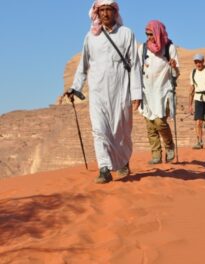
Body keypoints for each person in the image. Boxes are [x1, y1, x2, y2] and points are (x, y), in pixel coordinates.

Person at [67, 0, 142, 184]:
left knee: (120, 130)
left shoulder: (126, 34)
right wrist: (76, 87)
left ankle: (123, 162)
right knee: (99, 130)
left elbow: (135, 65)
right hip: (98, 92)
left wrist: (137, 93)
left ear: (115, 12)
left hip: (120, 91)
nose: (106, 14)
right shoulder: (90, 37)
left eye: (109, 10)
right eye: (102, 10)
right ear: (97, 13)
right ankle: (104, 168)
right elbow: (83, 65)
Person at [138, 20, 179, 164]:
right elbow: (138, 70)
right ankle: (156, 155)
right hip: (147, 92)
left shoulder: (169, 47)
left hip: (163, 90)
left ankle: (169, 146)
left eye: (151, 34)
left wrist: (174, 66)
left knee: (160, 122)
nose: (149, 37)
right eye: (147, 34)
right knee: (150, 125)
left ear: (158, 33)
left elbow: (176, 73)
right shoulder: (142, 48)